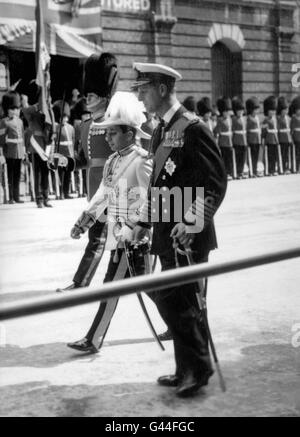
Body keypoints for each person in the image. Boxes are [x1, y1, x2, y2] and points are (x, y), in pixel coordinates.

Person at [131, 62, 227, 398]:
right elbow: (160, 185)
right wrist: (143, 224)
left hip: (189, 235)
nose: (140, 96)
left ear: (160, 89)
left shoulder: (193, 127)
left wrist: (192, 221)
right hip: (165, 233)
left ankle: (198, 368)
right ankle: (185, 368)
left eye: (143, 89)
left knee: (180, 300)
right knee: (174, 299)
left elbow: (215, 183)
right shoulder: (160, 129)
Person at [67, 91, 153, 353]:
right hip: (120, 236)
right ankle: (180, 316)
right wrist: (86, 219)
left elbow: (153, 197)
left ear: (130, 133)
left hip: (133, 238)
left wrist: (141, 228)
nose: (108, 137)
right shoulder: (113, 161)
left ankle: (93, 339)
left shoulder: (141, 161)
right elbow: (104, 193)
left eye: (113, 133)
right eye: (107, 133)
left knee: (111, 288)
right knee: (149, 286)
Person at [56, 52, 119, 292]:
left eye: (92, 93)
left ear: (104, 94)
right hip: (94, 189)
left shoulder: (115, 122)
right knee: (101, 236)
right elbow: (84, 159)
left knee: (101, 238)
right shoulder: (85, 126)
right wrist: (66, 163)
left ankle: (81, 282)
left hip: (113, 187)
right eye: (87, 92)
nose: (87, 96)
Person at [22, 81, 53, 208]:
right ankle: (38, 199)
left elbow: (51, 127)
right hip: (36, 147)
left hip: (45, 145)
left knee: (45, 173)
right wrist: (38, 105)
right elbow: (25, 110)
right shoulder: (33, 110)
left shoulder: (48, 111)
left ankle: (46, 197)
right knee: (37, 174)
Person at [0, 91, 26, 204]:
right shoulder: (3, 122)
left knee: (17, 175)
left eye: (15, 109)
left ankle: (16, 196)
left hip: (19, 151)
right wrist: (1, 153)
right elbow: (1, 139)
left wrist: (23, 150)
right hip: (9, 151)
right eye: (12, 109)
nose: (14, 111)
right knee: (9, 175)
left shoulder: (20, 121)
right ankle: (10, 197)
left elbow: (23, 137)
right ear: (7, 110)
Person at [52, 100, 75, 199]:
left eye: (66, 117)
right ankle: (60, 193)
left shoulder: (71, 128)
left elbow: (73, 141)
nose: (65, 119)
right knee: (60, 174)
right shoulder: (56, 128)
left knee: (68, 174)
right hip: (60, 154)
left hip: (69, 153)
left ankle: (66, 192)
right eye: (63, 117)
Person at [214, 97, 234, 179]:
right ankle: (225, 174)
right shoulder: (220, 120)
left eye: (227, 111)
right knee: (224, 159)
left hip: (229, 142)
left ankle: (230, 172)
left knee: (229, 159)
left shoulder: (230, 119)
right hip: (223, 142)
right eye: (225, 111)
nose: (226, 113)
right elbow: (217, 131)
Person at [262, 96, 279, 176]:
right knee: (268, 156)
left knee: (274, 156)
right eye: (271, 110)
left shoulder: (275, 119)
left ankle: (273, 169)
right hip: (268, 140)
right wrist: (263, 140)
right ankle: (268, 170)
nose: (272, 112)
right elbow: (264, 131)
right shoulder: (265, 120)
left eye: (274, 110)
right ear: (267, 111)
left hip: (275, 140)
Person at [232, 97, 248, 179]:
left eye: (242, 110)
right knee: (238, 158)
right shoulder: (234, 119)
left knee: (243, 158)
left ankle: (241, 171)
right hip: (237, 140)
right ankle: (238, 172)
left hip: (244, 141)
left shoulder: (245, 119)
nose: (240, 112)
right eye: (239, 110)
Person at [246, 97, 261, 177]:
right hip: (251, 140)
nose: (256, 111)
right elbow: (247, 130)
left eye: (257, 109)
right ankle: (251, 170)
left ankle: (254, 170)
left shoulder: (257, 118)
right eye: (255, 109)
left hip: (257, 139)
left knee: (256, 156)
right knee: (251, 156)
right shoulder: (248, 118)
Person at [277, 96, 292, 175]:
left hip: (288, 139)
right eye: (284, 110)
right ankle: (281, 168)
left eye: (287, 109)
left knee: (286, 154)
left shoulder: (289, 118)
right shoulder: (278, 118)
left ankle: (286, 167)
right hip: (281, 138)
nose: (286, 111)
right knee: (281, 154)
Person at [290, 96, 300, 173]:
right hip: (296, 138)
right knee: (296, 154)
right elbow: (292, 130)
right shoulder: (293, 118)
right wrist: (291, 138)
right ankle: (295, 168)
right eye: (298, 109)